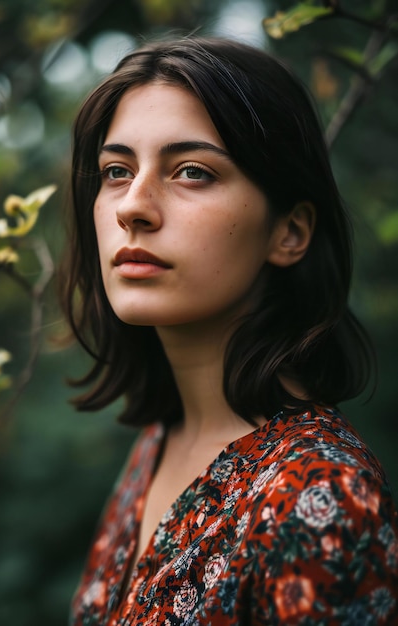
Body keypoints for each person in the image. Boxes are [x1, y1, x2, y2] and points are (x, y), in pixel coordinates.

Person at [59, 36, 398, 625]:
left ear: (289, 232)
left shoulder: (320, 496)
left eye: (191, 171)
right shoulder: (159, 443)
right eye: (116, 170)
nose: (131, 206)